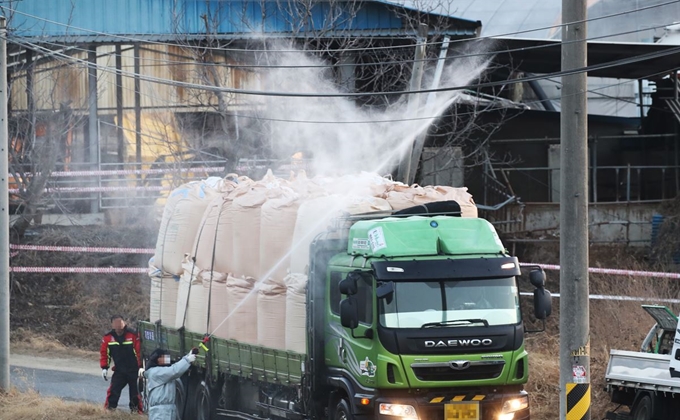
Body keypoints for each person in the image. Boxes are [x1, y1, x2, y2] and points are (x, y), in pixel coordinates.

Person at [100, 314, 144, 413]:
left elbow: (139, 353)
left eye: (120, 324)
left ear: (124, 323)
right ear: (112, 325)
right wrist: (104, 367)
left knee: (135, 394)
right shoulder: (108, 338)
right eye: (116, 325)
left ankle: (136, 414)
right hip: (120, 370)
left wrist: (141, 367)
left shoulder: (133, 335)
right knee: (113, 392)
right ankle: (109, 411)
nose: (119, 328)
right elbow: (105, 354)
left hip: (134, 370)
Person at [144, 348, 196, 420]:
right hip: (160, 413)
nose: (167, 358)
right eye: (163, 357)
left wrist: (189, 355)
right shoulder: (155, 372)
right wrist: (187, 360)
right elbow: (174, 371)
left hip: (165, 411)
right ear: (157, 359)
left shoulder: (158, 371)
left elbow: (174, 368)